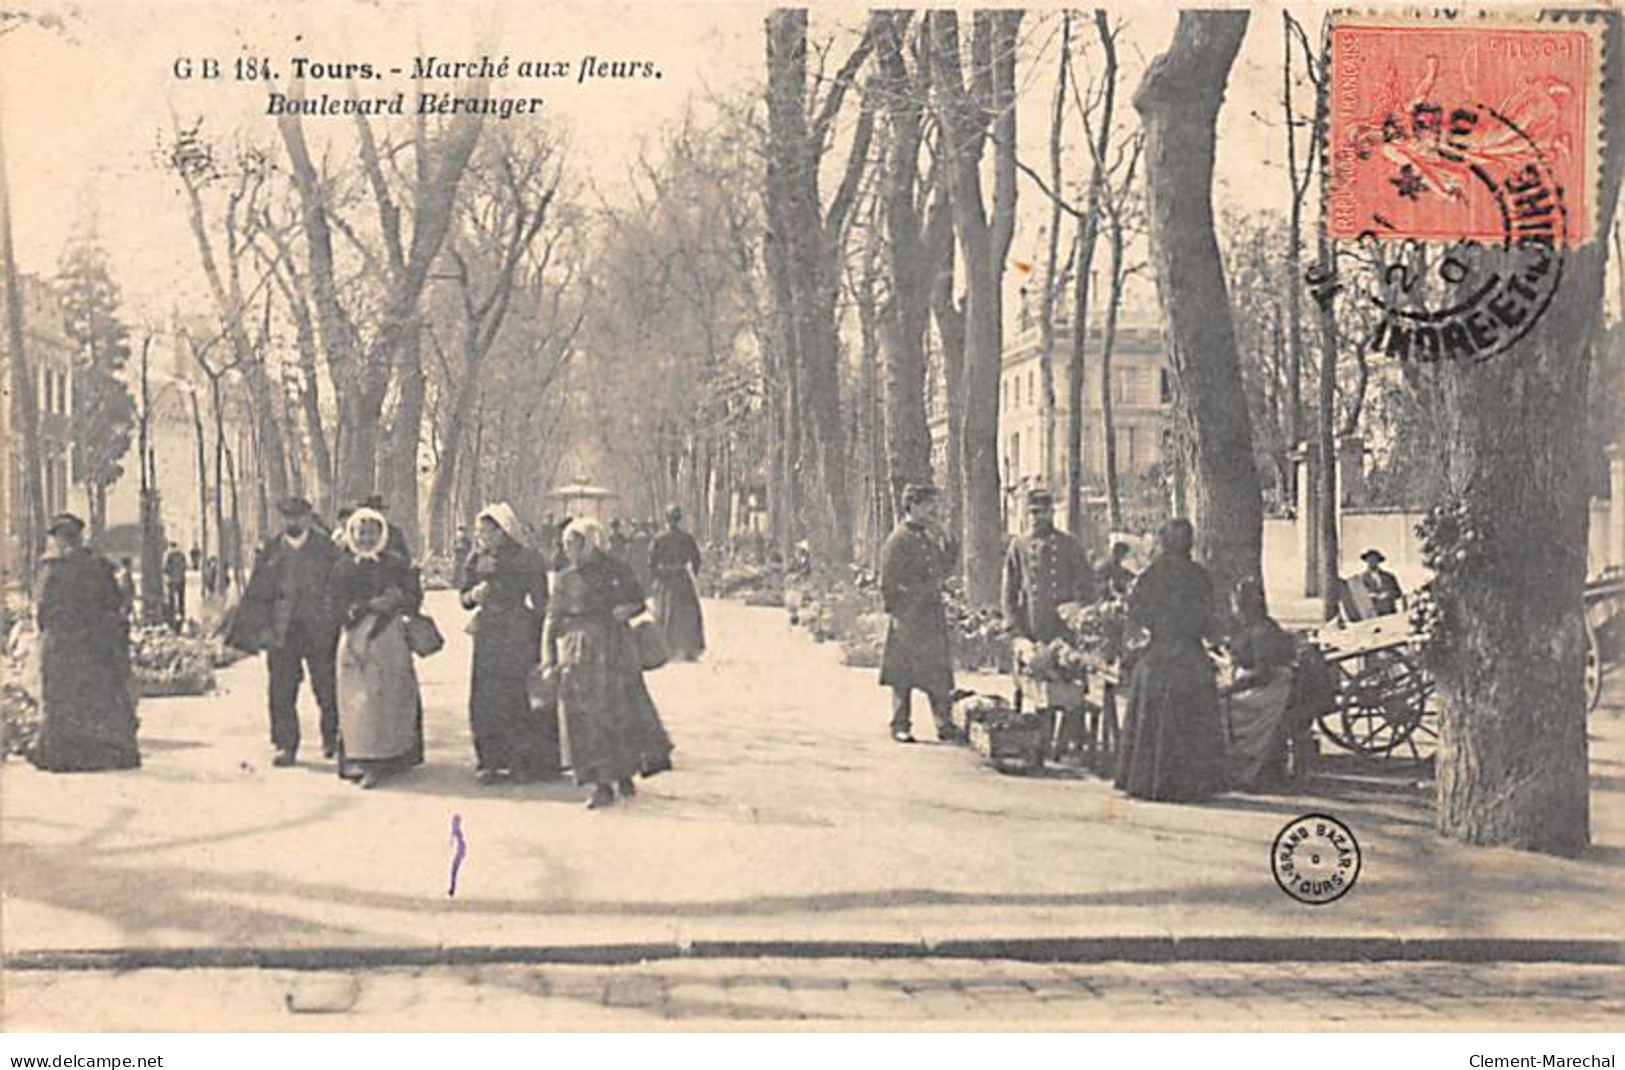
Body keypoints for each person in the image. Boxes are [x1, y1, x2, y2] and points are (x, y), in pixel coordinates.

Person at [543, 517, 674, 810]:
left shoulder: (617, 569)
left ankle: (621, 772)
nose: (569, 550)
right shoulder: (564, 578)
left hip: (615, 650)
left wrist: (625, 610)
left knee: (620, 713)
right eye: (565, 544)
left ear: (590, 542)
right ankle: (600, 782)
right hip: (579, 654)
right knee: (585, 718)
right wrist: (548, 658)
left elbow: (639, 601)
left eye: (574, 544)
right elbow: (552, 618)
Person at [1114, 518, 1226, 802]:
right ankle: (1192, 786)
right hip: (1190, 657)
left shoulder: (1152, 575)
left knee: (1151, 720)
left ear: (1164, 543)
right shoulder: (1200, 576)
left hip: (1158, 657)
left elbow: (1136, 614)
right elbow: (1208, 618)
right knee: (1193, 719)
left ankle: (1147, 782)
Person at [28, 514, 140, 772]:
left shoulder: (52, 569)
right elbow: (114, 601)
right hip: (94, 645)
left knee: (62, 699)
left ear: (58, 540)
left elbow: (42, 610)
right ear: (78, 537)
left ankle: (62, 754)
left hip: (62, 647)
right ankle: (103, 753)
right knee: (95, 698)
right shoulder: (99, 566)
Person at [237, 497, 343, 767]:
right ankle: (285, 745)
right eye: (287, 517)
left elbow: (341, 586)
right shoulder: (271, 550)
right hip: (282, 631)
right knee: (281, 691)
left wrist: (336, 622)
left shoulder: (326, 549)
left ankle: (332, 739)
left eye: (298, 517)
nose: (292, 522)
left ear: (308, 518)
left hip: (319, 630)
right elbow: (257, 593)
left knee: (327, 688)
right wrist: (257, 629)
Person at [332, 508, 425, 789]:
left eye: (371, 532)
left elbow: (413, 597)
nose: (365, 537)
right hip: (356, 637)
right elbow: (333, 603)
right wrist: (365, 606)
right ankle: (362, 759)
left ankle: (392, 757)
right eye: (360, 532)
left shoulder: (395, 563)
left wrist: (398, 599)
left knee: (391, 695)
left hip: (389, 636)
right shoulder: (343, 567)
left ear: (382, 534)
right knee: (359, 701)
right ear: (351, 534)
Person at [461, 502, 555, 784]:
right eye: (480, 531)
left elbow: (540, 601)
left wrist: (540, 637)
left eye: (488, 530)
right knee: (486, 697)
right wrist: (473, 596)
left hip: (517, 631)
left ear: (503, 531)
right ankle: (489, 760)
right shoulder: (476, 559)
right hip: (488, 632)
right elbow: (463, 598)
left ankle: (521, 761)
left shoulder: (528, 558)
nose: (482, 536)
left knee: (517, 695)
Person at [879, 483, 959, 744]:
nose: (932, 510)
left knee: (937, 670)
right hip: (909, 616)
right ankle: (900, 724)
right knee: (902, 674)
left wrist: (949, 543)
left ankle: (943, 723)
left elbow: (942, 569)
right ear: (912, 505)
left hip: (931, 614)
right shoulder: (898, 539)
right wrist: (903, 609)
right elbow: (887, 583)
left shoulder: (928, 537)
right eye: (927, 505)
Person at [1220, 577, 1300, 791]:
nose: (1235, 611)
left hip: (1270, 689)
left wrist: (1228, 689)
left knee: (1222, 705)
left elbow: (1263, 675)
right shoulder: (1256, 627)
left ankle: (1242, 770)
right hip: (1261, 682)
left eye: (1237, 606)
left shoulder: (1262, 632)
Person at [1001, 488, 1097, 643]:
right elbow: (1008, 593)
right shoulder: (1019, 546)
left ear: (1052, 513)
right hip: (1030, 631)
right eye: (1033, 512)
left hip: (1064, 630)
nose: (1036, 518)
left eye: (1042, 512)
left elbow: (1088, 586)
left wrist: (1078, 606)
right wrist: (1015, 631)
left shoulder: (1069, 544)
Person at [649, 504, 705, 661]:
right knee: (686, 613)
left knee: (665, 612)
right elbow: (696, 558)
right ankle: (687, 648)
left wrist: (656, 577)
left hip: (666, 578)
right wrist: (692, 573)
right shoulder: (686, 538)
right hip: (681, 578)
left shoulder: (659, 538)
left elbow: (651, 561)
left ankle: (666, 648)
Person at [1346, 548, 1404, 619]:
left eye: (1374, 559)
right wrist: (1370, 596)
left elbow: (1398, 593)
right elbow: (1358, 598)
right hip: (1371, 615)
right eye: (1370, 560)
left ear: (1378, 561)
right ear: (1366, 561)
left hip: (1389, 613)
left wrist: (1388, 594)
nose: (1372, 562)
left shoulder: (1389, 577)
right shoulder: (1361, 579)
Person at [162, 542, 188, 630]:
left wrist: (169, 573)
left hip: (171, 581)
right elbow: (184, 566)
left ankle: (172, 619)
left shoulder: (168, 555)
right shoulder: (181, 555)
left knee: (171, 601)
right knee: (181, 600)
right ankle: (181, 616)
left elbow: (165, 568)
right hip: (181, 580)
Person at [627, 521, 654, 592]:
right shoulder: (648, 535)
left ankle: (642, 589)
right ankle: (646, 589)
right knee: (645, 574)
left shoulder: (634, 535)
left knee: (640, 575)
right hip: (644, 558)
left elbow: (631, 548)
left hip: (638, 559)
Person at [115, 557, 137, 622]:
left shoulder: (122, 572)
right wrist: (132, 592)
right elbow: (128, 584)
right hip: (127, 594)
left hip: (125, 593)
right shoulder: (126, 573)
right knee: (127, 609)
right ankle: (124, 621)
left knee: (128, 609)